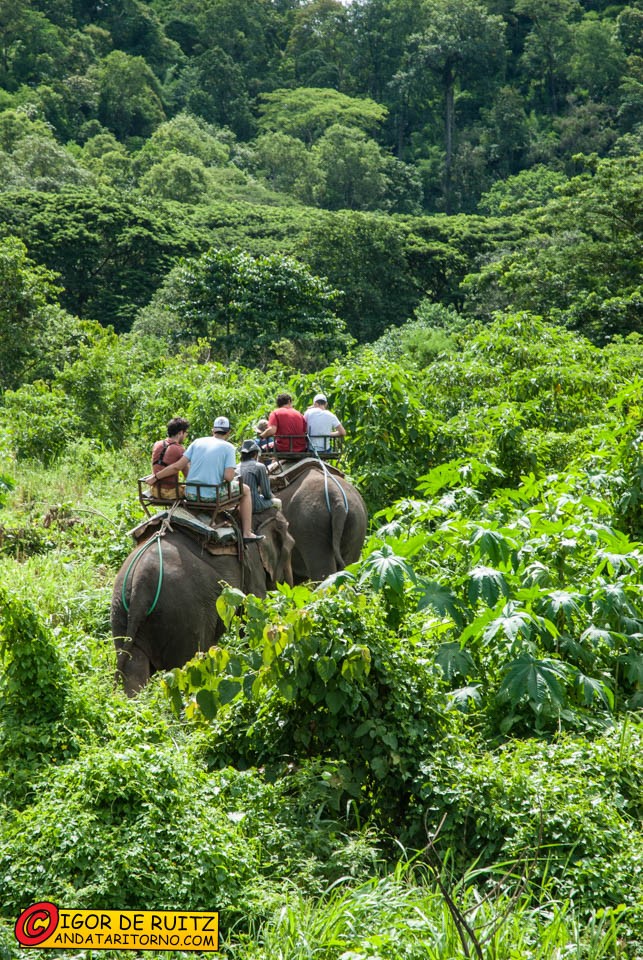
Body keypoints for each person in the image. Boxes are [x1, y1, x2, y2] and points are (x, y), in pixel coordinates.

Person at [154, 416, 263, 543]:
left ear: (213, 431)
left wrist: (155, 477)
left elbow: (179, 465)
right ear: (228, 432)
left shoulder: (197, 442)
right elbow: (228, 477)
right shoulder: (229, 447)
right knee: (246, 490)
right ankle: (247, 533)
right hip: (211, 495)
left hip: (190, 493)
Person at [237, 440, 282, 514]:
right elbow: (266, 493)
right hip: (254, 505)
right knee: (278, 502)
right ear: (255, 454)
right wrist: (272, 497)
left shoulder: (237, 466)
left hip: (240, 505)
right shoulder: (259, 466)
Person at [149, 417, 189, 498]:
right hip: (170, 492)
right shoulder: (180, 449)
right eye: (186, 433)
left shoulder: (157, 444)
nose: (186, 436)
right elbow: (188, 475)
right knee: (192, 492)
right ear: (180, 433)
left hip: (155, 490)